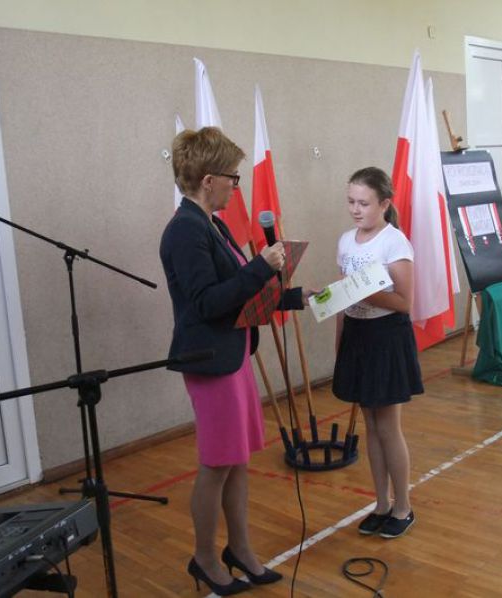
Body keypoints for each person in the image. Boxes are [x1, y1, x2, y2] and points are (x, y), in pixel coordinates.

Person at [160, 127, 310, 595]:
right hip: (210, 360)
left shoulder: (212, 224)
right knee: (216, 464)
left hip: (233, 352)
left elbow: (241, 293)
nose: (235, 186)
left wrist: (295, 297)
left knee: (236, 459)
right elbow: (208, 302)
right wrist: (262, 266)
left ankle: (240, 550)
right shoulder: (185, 230)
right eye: (233, 178)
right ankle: (205, 558)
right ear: (208, 180)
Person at [332, 167, 423, 539]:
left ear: (384, 204)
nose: (356, 209)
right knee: (370, 425)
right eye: (351, 202)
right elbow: (343, 299)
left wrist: (365, 292)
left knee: (388, 426)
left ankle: (403, 507)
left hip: (386, 337)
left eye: (364, 203)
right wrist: (340, 343)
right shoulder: (345, 241)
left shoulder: (394, 242)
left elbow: (404, 303)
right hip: (357, 336)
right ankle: (381, 504)